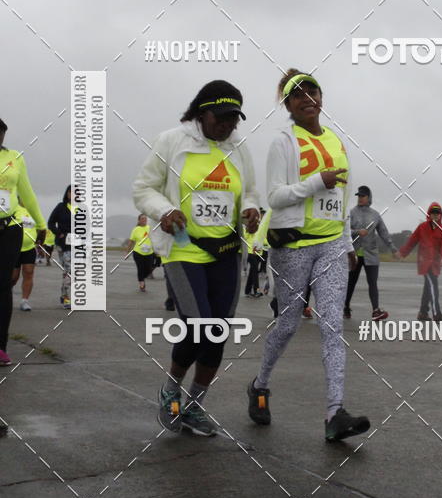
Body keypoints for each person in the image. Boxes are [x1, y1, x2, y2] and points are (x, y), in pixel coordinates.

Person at [248, 69, 370, 442]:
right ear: (287, 105)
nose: (306, 98)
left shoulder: (336, 141)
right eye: (296, 94)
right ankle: (259, 384)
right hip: (295, 244)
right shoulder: (284, 142)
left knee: (332, 325)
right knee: (288, 324)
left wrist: (348, 243)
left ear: (321, 98)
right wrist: (318, 181)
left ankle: (335, 412)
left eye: (311, 91)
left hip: (332, 243)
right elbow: (275, 196)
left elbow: (343, 199)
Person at [133, 80, 260, 436]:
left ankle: (194, 406)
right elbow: (143, 188)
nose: (227, 125)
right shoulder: (172, 142)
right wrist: (164, 210)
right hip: (185, 247)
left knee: (217, 332)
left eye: (234, 118)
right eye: (220, 117)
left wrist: (251, 209)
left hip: (226, 252)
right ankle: (170, 391)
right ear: (201, 113)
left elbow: (249, 191)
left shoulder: (238, 148)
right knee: (199, 324)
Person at [0, 118, 46, 365]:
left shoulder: (15, 157)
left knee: (4, 285)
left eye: (2, 134)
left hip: (9, 228)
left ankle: (1, 346)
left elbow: (26, 191)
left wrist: (41, 224)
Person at [345, 185, 399, 320]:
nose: (360, 198)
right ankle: (345, 307)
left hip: (371, 255)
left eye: (363, 196)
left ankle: (376, 310)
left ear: (369, 198)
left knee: (372, 283)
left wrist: (393, 248)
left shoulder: (375, 214)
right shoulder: (351, 213)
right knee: (351, 282)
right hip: (354, 254)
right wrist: (357, 232)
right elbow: (344, 231)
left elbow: (383, 232)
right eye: (358, 196)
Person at [399, 202, 442, 321]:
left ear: (441, 215)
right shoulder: (422, 227)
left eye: (438, 213)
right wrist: (402, 253)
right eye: (433, 212)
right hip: (425, 263)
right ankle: (437, 314)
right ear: (429, 214)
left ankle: (422, 313)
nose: (436, 215)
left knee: (428, 288)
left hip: (435, 264)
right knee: (433, 287)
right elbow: (412, 241)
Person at [48, 185, 75, 309]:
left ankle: (64, 293)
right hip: (63, 243)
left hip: (77, 244)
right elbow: (51, 222)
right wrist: (59, 233)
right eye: (72, 192)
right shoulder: (61, 207)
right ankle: (65, 297)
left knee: (73, 271)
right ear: (67, 193)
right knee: (69, 269)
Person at [11, 203, 39, 311]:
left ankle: (24, 301)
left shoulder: (33, 210)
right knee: (13, 277)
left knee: (29, 272)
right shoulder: (13, 209)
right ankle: (6, 295)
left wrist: (40, 239)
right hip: (14, 248)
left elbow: (39, 226)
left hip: (29, 248)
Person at [124, 214, 155, 291]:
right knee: (140, 268)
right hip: (138, 253)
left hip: (149, 253)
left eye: (145, 219)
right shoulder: (136, 229)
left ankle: (142, 278)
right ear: (139, 220)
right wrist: (127, 252)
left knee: (149, 269)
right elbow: (131, 241)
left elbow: (155, 239)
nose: (144, 220)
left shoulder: (150, 228)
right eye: (143, 219)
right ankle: (142, 283)